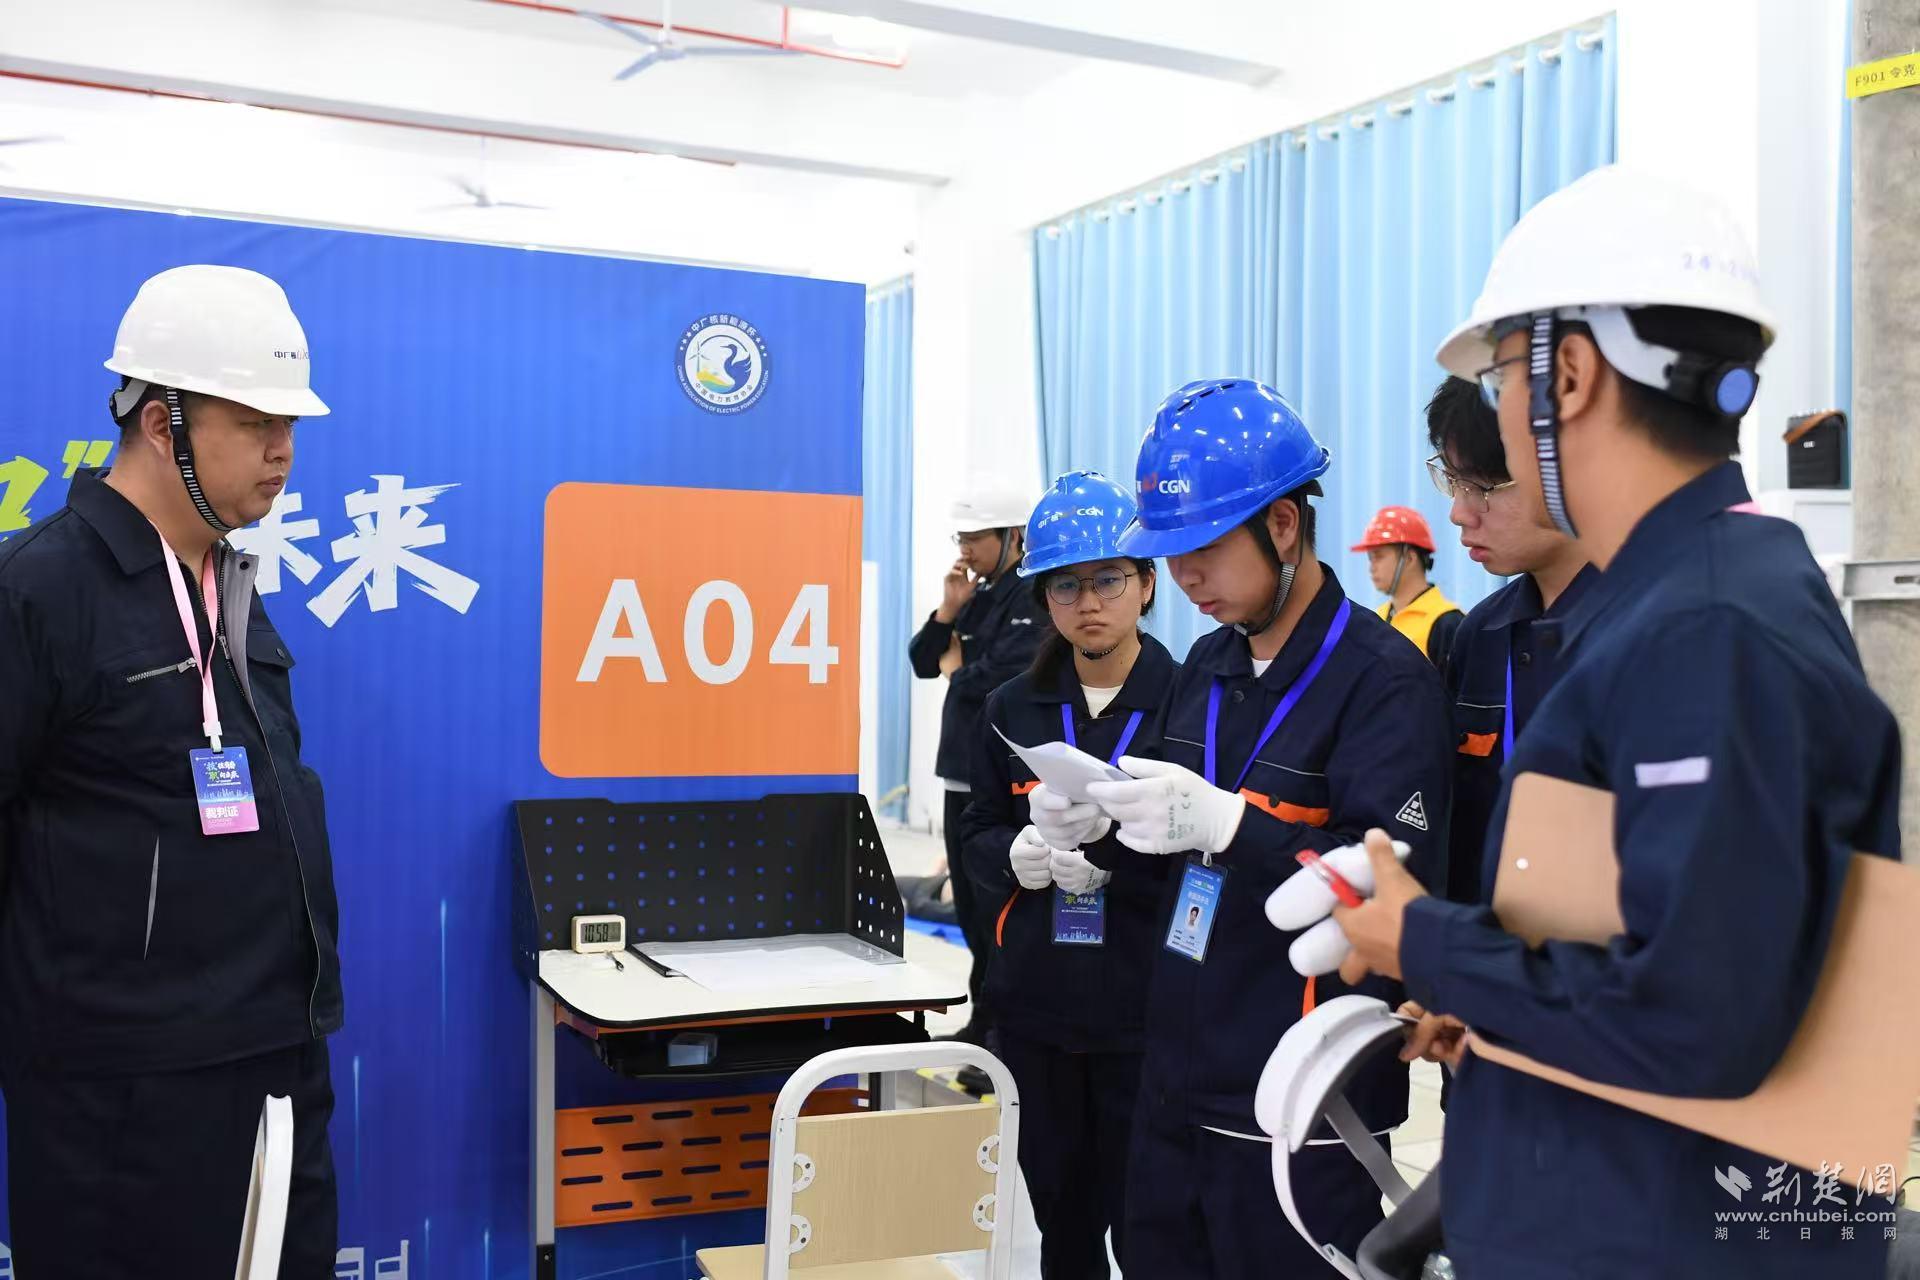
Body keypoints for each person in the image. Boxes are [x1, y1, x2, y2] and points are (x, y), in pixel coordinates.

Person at [1332, 166, 1901, 1277]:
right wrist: (1495, 1010)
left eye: (1501, 376)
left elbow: (1699, 1016)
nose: (1500, 414)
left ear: (1571, 375)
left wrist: (1424, 939)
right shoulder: (1695, 595)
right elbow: (1669, 940)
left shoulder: (1709, 627)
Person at [1038, 379, 1453, 1280]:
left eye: (1204, 549)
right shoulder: (1208, 664)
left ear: (1284, 526)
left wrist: (1233, 824)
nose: (1185, 577)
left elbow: (1392, 884)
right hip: (1173, 1081)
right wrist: (1092, 829)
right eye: (1170, 553)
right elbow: (1170, 843)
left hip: (1301, 1105)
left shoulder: (1384, 682)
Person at [0, 265, 344, 1277]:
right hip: (121, 1091)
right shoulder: (38, 590)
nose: (283, 450)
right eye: (255, 421)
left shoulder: (225, 577)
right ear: (162, 424)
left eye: (291, 423)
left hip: (275, 1055)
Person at [959, 469, 1177, 1280]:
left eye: (1108, 579)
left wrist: (1117, 860)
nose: (1089, 602)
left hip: (1145, 1009)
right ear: (1044, 598)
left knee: (1147, 1223)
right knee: (1062, 1222)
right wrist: (1012, 856)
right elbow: (977, 827)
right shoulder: (1012, 707)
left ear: (1146, 584)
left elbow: (1211, 852)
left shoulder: (1188, 702)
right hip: (1037, 1006)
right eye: (1065, 584)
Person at [1421, 375, 1596, 906]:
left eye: (1482, 487)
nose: (1459, 512)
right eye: (1454, 482)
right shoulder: (1480, 635)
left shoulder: (1646, 629)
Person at [907, 484, 1048, 1076]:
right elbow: (924, 661)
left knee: (998, 911)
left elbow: (999, 678)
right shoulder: (975, 594)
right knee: (969, 909)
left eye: (975, 538)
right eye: (960, 537)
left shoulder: (1034, 594)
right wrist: (947, 611)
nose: (965, 548)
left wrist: (959, 669)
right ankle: (983, 1022)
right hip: (958, 772)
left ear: (1012, 537)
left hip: (1001, 777)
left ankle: (1000, 1035)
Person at [1351, 505, 1463, 673]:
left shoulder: (1447, 623)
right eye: (1370, 558)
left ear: (1409, 558)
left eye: (1378, 556)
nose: (1371, 567)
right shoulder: (1376, 618)